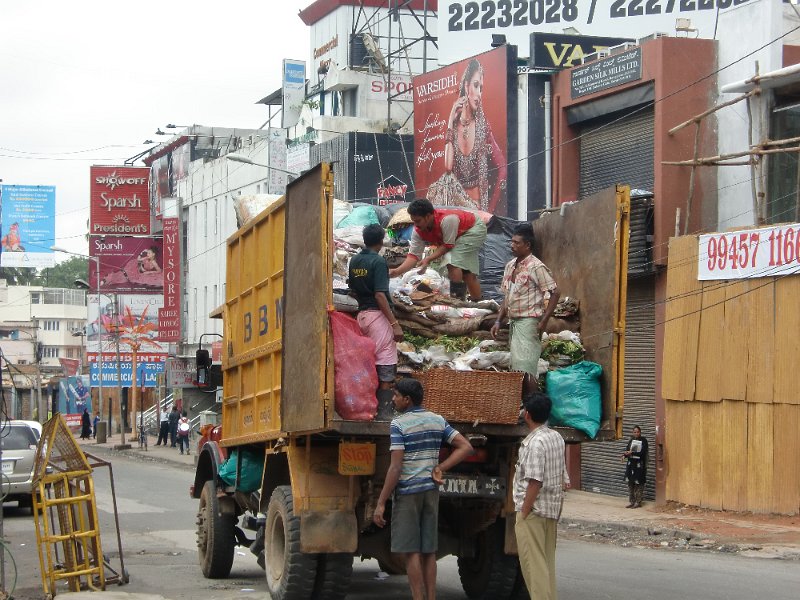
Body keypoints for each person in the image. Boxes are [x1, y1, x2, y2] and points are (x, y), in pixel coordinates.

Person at [373, 379, 473, 600]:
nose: (393, 399)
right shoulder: (437, 420)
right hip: (430, 491)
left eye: (396, 395)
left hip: (408, 493)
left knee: (412, 552)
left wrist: (381, 502)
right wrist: (440, 467)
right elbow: (466, 446)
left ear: (407, 400)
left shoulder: (399, 424)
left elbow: (396, 466)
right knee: (429, 551)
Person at [514, 392, 569, 600]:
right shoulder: (556, 437)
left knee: (533, 568)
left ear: (527, 414)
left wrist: (525, 511)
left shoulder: (534, 443)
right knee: (546, 565)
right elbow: (563, 476)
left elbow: (535, 481)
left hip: (534, 512)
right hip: (551, 510)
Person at [491, 223, 560, 378]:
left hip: (529, 322)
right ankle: (524, 402)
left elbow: (555, 293)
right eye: (512, 241)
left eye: (517, 243)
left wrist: (544, 320)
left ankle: (532, 401)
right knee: (516, 369)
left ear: (527, 245)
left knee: (525, 370)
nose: (512, 245)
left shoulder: (536, 267)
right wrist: (498, 321)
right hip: (514, 322)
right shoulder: (510, 266)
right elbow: (507, 297)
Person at [440, 58, 507, 213]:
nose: (479, 94)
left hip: (477, 208)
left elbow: (503, 168)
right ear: (466, 86)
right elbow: (448, 167)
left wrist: (489, 210)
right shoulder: (454, 125)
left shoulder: (483, 127)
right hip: (456, 208)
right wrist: (450, 118)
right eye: (476, 86)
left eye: (481, 88)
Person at [389, 199, 488, 300]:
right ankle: (478, 302)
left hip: (474, 228)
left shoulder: (448, 220)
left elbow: (447, 245)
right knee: (467, 272)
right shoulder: (418, 230)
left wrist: (428, 259)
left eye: (418, 221)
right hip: (457, 235)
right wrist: (397, 271)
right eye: (413, 221)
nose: (416, 225)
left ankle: (458, 301)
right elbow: (413, 256)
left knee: (452, 262)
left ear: (428, 216)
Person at [348, 224, 403, 391]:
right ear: (380, 241)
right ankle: (383, 409)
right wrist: (394, 324)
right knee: (385, 361)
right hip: (377, 317)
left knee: (367, 361)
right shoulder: (378, 261)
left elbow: (352, 289)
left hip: (361, 316)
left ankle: (366, 403)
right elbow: (380, 295)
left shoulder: (355, 260)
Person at [623, 425, 648, 509]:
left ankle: (638, 502)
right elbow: (627, 450)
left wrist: (632, 453)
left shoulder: (644, 441)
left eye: (638, 432)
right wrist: (624, 455)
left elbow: (642, 452)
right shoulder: (631, 440)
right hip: (631, 465)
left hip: (639, 465)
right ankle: (632, 502)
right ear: (632, 432)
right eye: (635, 432)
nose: (636, 433)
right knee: (630, 483)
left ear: (640, 432)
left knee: (639, 483)